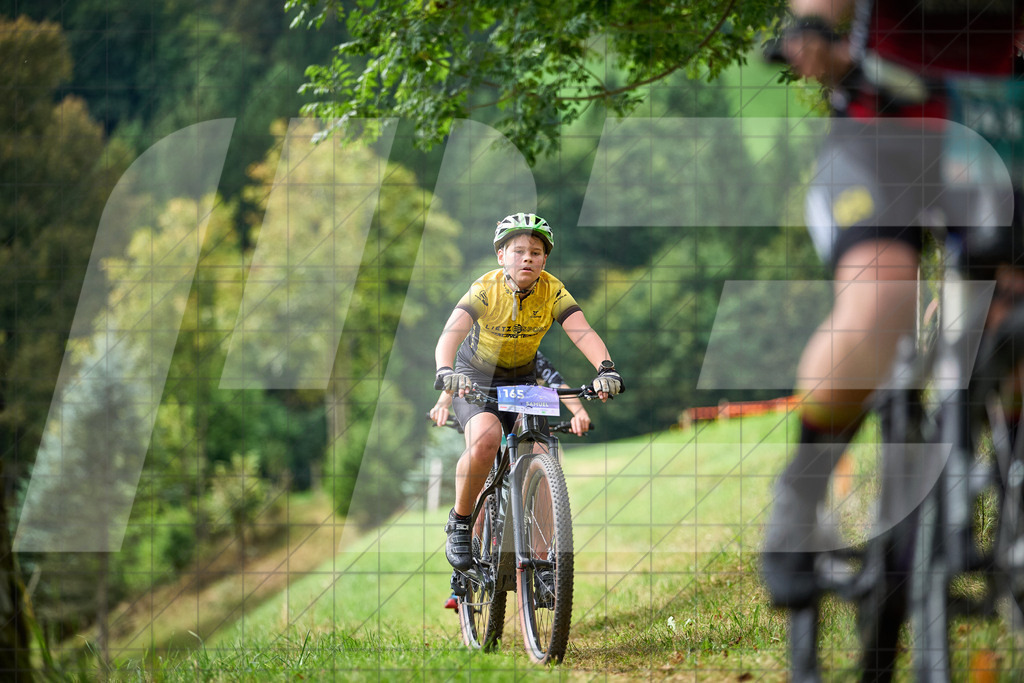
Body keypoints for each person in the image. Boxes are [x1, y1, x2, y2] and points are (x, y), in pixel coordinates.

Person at [760, 0, 1023, 674]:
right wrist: (814, 31)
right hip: (882, 134)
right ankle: (803, 491)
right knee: (882, 303)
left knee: (1014, 320)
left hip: (999, 136)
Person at [434, 212, 623, 573]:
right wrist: (446, 371)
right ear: (501, 256)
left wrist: (606, 369)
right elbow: (450, 335)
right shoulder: (484, 289)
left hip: (522, 382)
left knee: (543, 451)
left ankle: (542, 560)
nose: (527, 258)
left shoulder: (553, 290)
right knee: (487, 440)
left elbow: (582, 331)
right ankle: (460, 522)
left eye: (535, 253)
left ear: (544, 260)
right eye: (518, 251)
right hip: (475, 378)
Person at [429, 350, 593, 435]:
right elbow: (462, 381)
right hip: (487, 405)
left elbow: (558, 385)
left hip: (518, 412)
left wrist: (580, 413)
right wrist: (441, 405)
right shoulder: (484, 353)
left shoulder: (535, 358)